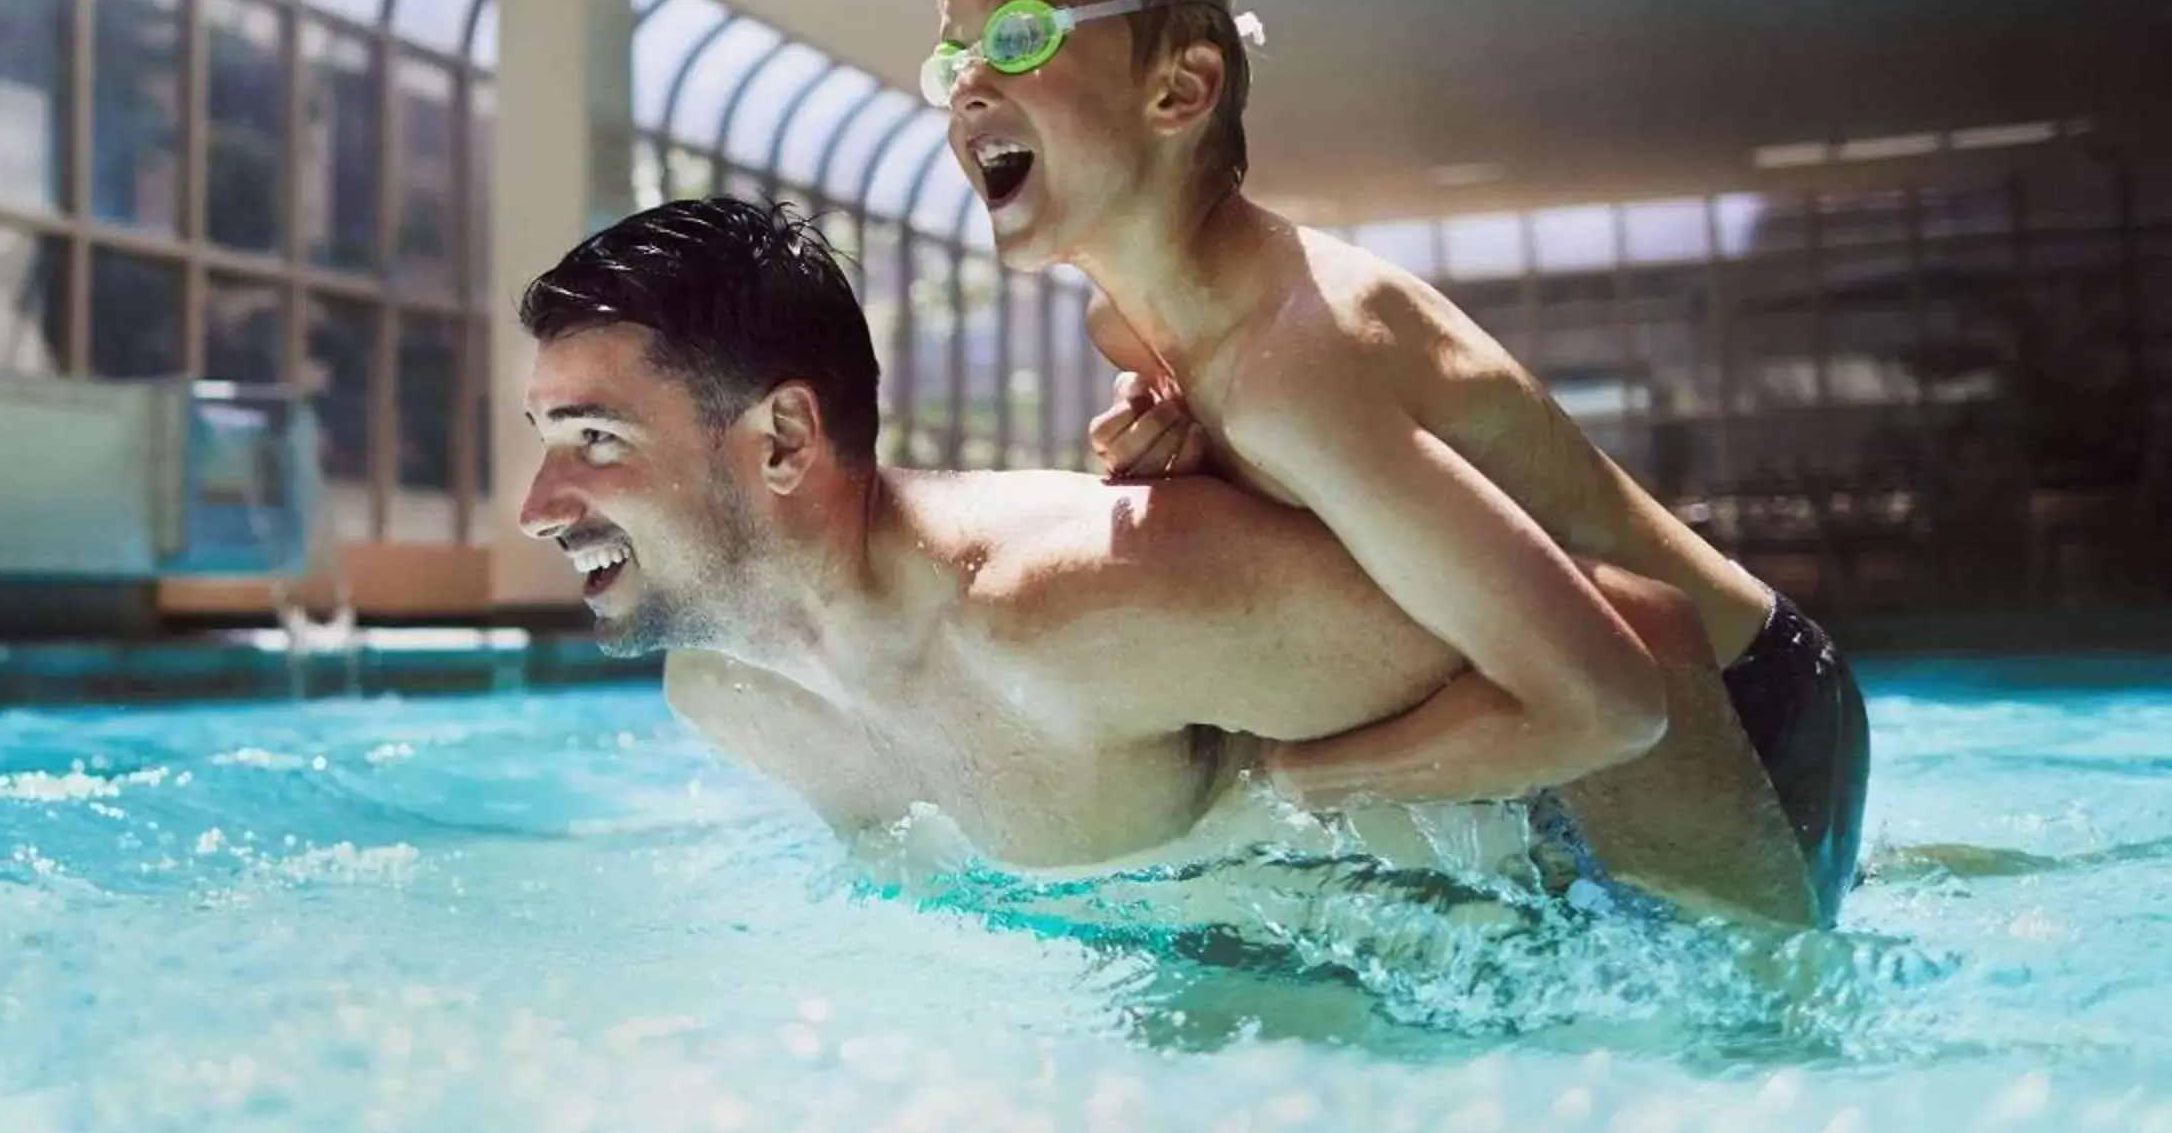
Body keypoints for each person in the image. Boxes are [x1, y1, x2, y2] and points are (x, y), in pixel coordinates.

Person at [923, 0, 1869, 923]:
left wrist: (1303, 778)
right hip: (1595, 689)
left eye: (1016, 39)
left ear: (1179, 93)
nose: (969, 85)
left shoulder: (1296, 361)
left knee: (1759, 1035)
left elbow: (1607, 703)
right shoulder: (1142, 333)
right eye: (954, 55)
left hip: (1741, 696)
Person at [514, 199, 1819, 927]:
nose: (537, 503)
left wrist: (1763, 1015)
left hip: (1491, 952)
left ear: (785, 438)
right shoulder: (731, 695)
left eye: (594, 439)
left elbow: (1638, 647)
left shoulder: (1080, 604)